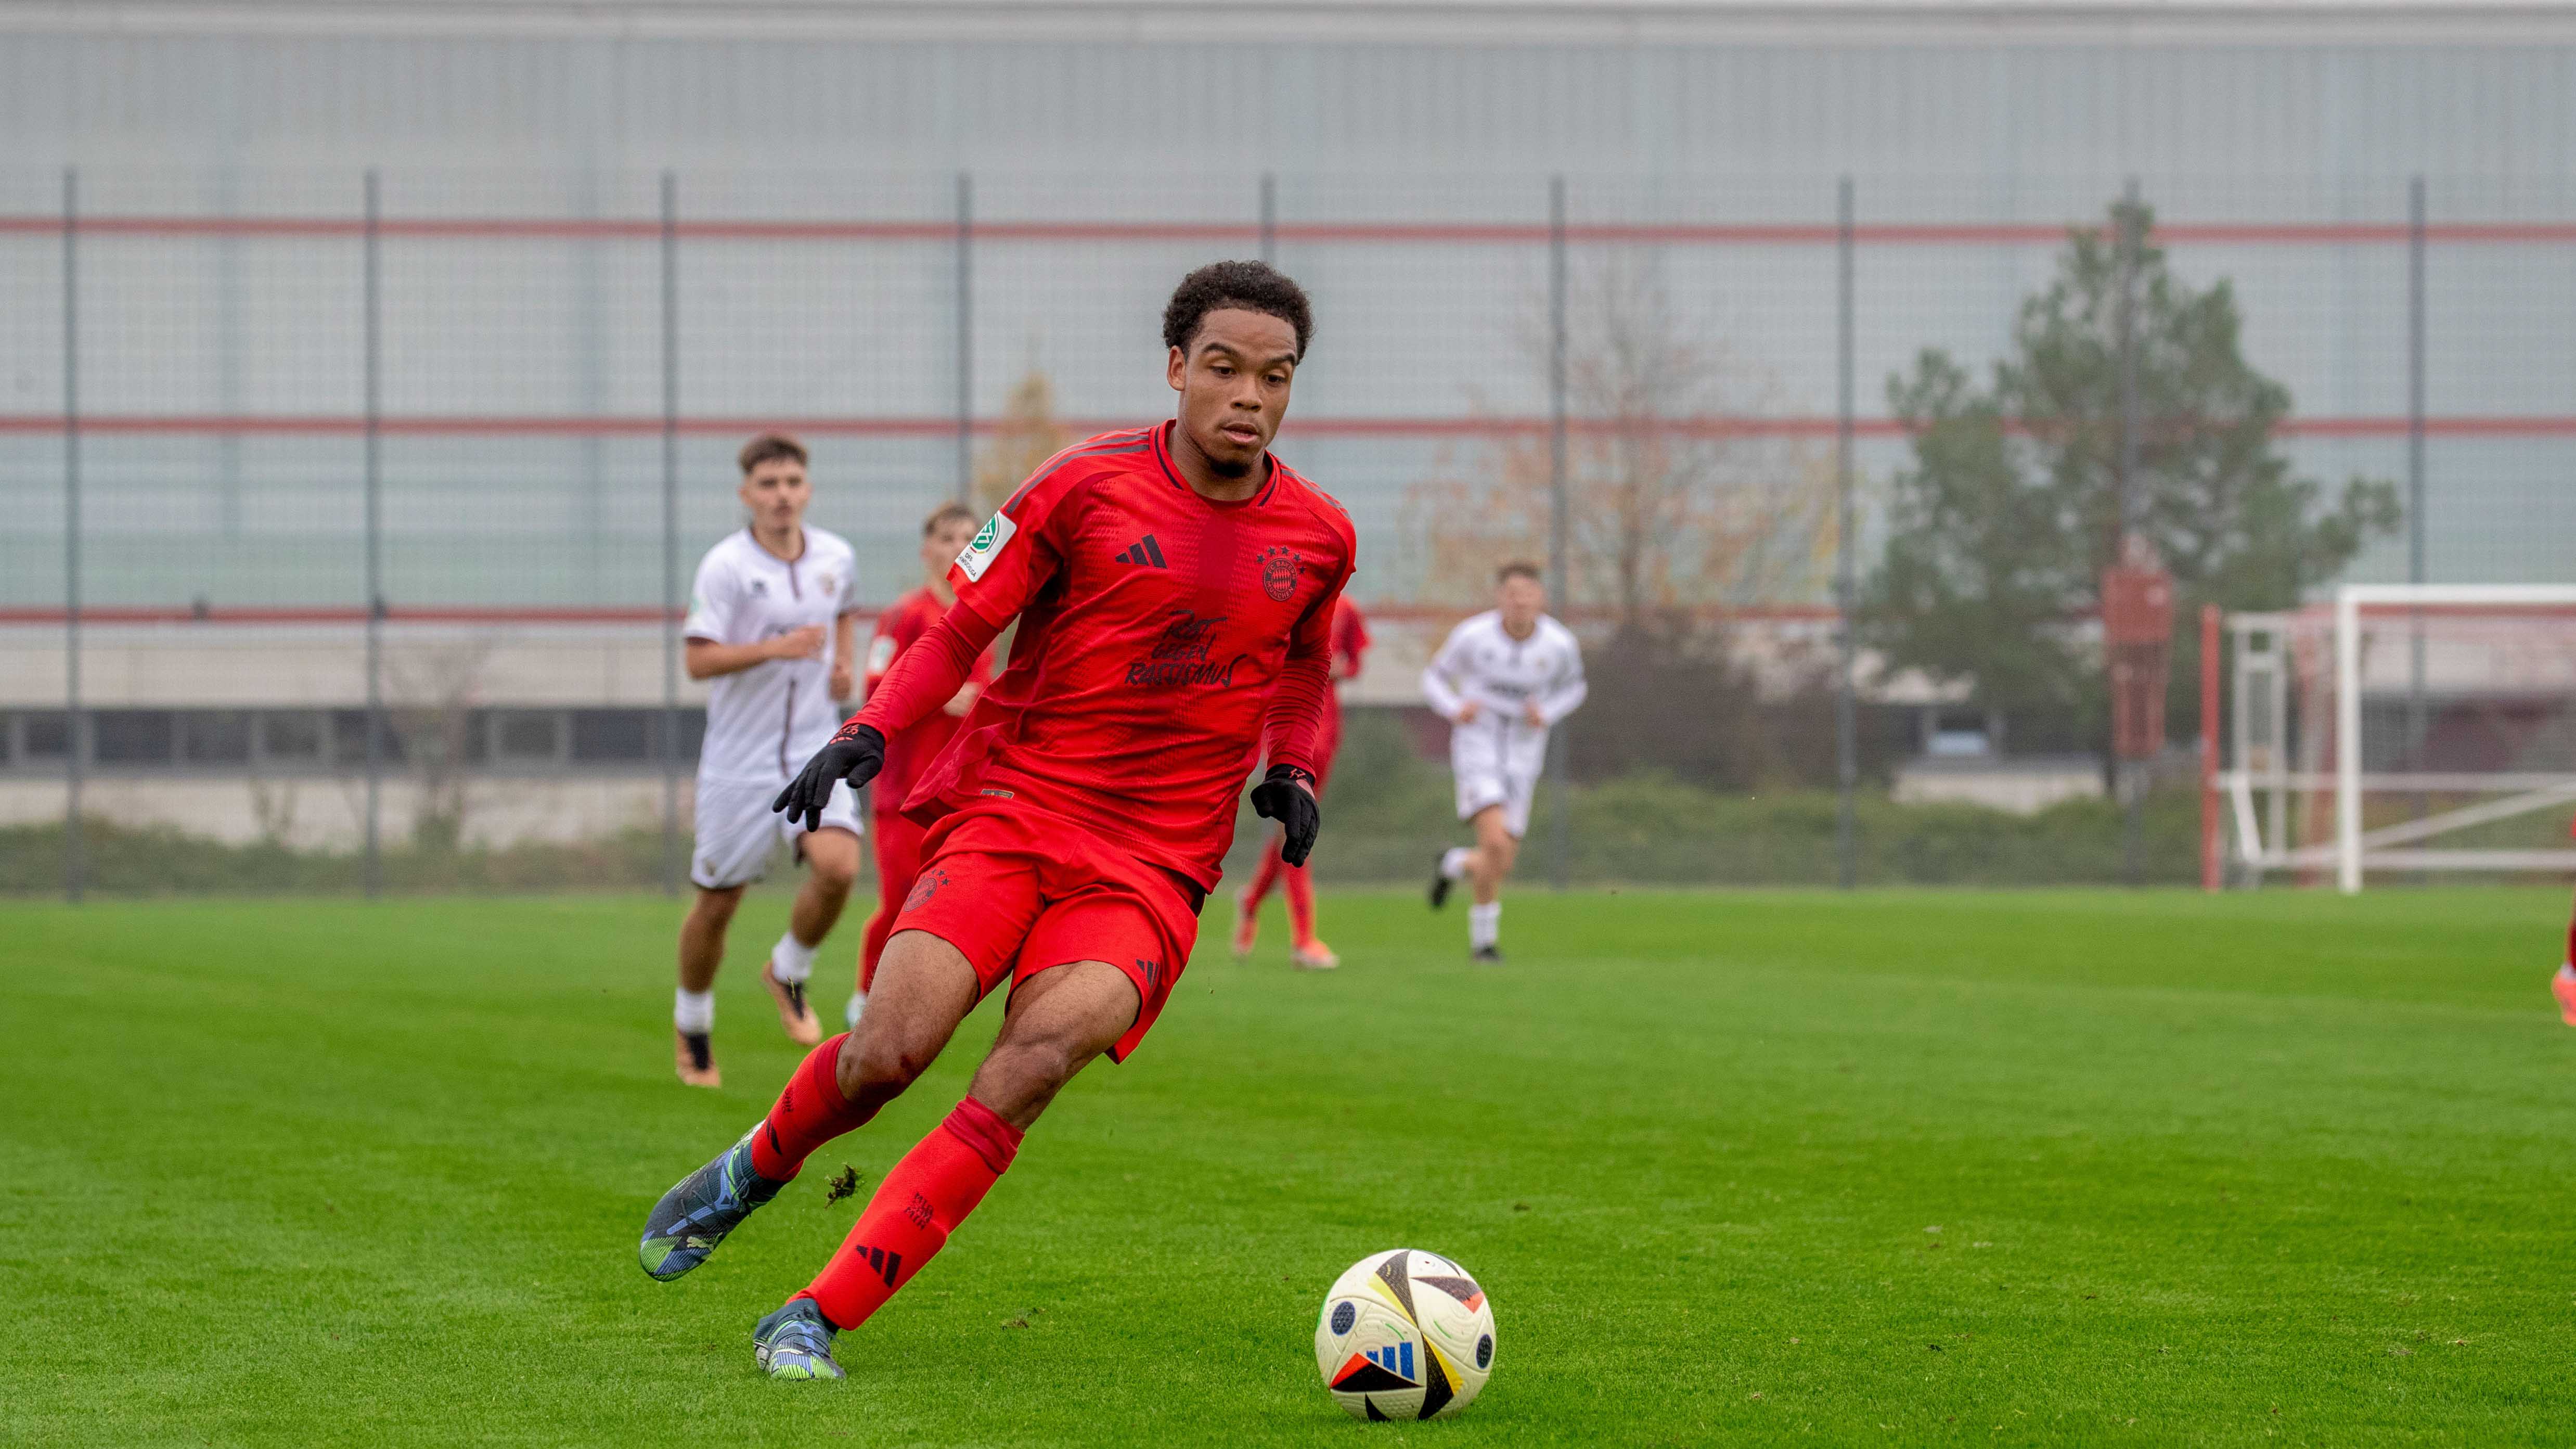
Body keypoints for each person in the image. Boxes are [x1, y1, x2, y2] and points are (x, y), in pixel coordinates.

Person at [636, 261, 1354, 1382]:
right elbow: (961, 627)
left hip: (1154, 869)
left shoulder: (1318, 535)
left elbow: (1307, 671)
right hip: (1017, 815)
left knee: (1027, 1067)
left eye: (1275, 376)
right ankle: (753, 1169)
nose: (1248, 397)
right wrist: (870, 726)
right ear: (1176, 369)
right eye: (1223, 369)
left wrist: (1297, 767)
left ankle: (811, 1318)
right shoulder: (1074, 484)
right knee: (888, 1052)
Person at [669, 433, 863, 1088]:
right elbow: (698, 660)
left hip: (813, 746)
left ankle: (788, 968)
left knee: (839, 868)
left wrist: (842, 663)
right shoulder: (724, 566)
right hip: (738, 763)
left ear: (807, 489)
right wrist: (775, 648)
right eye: (769, 484)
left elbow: (843, 610)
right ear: (747, 494)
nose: (782, 495)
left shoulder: (835, 555)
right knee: (718, 904)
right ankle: (693, 1023)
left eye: (792, 482)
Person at [846, 502, 994, 1030]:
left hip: (960, 790)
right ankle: (864, 999)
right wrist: (937, 697)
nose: (960, 546)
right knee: (900, 900)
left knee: (948, 903)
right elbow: (872, 686)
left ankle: (919, 1004)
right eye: (949, 536)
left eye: (970, 537)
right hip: (905, 789)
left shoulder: (983, 615)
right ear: (926, 549)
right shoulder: (906, 614)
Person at [1421, 562, 1587, 963]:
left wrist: (1546, 712)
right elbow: (1434, 677)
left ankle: (1454, 862)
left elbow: (1576, 687)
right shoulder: (1473, 636)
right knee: (1494, 843)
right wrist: (1455, 707)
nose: (1520, 601)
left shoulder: (1559, 644)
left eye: (1528, 593)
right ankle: (1484, 943)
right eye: (1512, 593)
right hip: (1478, 746)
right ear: (1501, 597)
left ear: (1540, 599)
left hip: (1525, 755)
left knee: (1501, 861)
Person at [1233, 598, 1370, 969]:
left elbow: (1355, 661)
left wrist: (1345, 669)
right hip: (1282, 719)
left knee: (1290, 829)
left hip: (1325, 724)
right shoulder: (1275, 595)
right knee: (1296, 823)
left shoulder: (1347, 608)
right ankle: (1304, 939)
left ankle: (1250, 903)